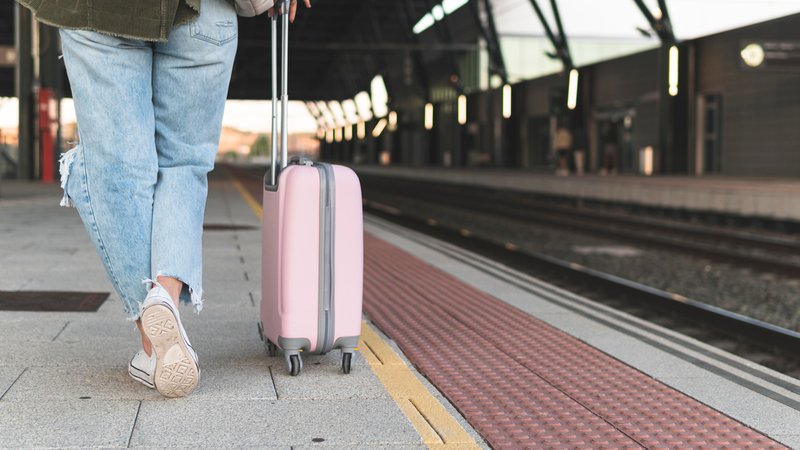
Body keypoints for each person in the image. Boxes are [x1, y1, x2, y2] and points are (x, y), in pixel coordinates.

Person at [16, 0, 310, 398]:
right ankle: (165, 296)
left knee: (119, 172)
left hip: (96, 11)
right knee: (184, 164)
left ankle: (153, 344)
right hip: (205, 13)